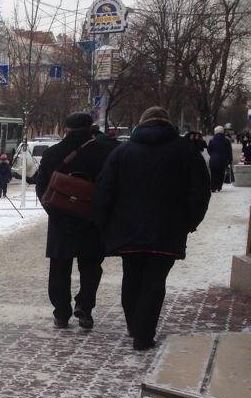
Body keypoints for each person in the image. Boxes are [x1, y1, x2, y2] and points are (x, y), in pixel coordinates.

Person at [94, 106, 211, 351]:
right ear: (168, 124)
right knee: (155, 281)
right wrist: (190, 222)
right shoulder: (187, 153)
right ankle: (143, 335)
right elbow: (200, 192)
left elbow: (104, 191)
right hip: (168, 230)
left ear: (141, 123)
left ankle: (135, 325)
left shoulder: (122, 152)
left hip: (127, 231)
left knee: (132, 276)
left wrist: (104, 224)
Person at [34, 111, 116, 331]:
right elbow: (111, 188)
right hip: (92, 220)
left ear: (66, 129)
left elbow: (41, 187)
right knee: (90, 267)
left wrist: (53, 210)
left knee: (59, 268)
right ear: (91, 128)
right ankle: (85, 307)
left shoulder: (53, 153)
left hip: (61, 221)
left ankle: (61, 313)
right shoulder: (106, 152)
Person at [207, 125, 233, 192]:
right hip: (223, 160)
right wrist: (230, 160)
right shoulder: (226, 141)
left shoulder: (212, 140)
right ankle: (219, 186)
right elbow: (229, 151)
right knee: (221, 174)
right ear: (222, 132)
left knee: (213, 174)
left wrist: (213, 155)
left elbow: (209, 150)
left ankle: (213, 187)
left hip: (213, 160)